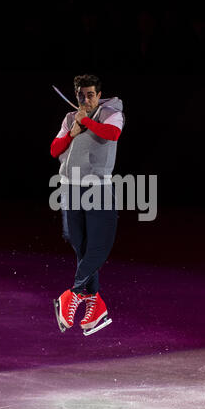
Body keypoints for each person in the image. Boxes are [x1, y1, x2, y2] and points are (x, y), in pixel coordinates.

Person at [50, 74, 125, 335]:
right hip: (70, 188)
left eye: (90, 94)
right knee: (79, 245)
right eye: (82, 95)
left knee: (97, 246)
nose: (86, 99)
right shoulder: (70, 119)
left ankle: (73, 294)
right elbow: (54, 150)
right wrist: (73, 131)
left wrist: (88, 123)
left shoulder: (111, 111)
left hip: (98, 188)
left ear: (99, 94)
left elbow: (112, 134)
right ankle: (96, 306)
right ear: (77, 95)